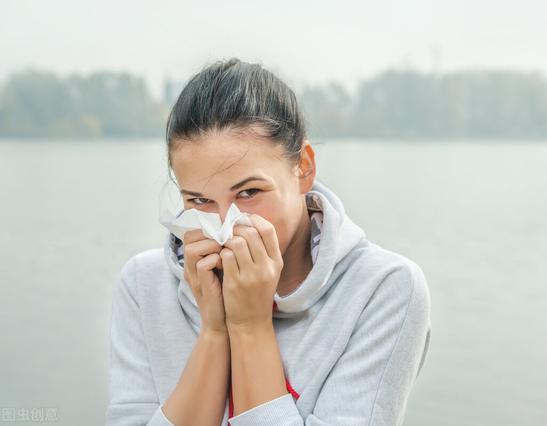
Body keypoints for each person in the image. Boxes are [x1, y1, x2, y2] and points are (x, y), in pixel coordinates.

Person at [106, 57, 432, 426]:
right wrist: (215, 331)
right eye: (200, 201)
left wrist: (249, 326)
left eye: (249, 192)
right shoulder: (144, 284)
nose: (227, 226)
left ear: (304, 167)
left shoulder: (382, 288)